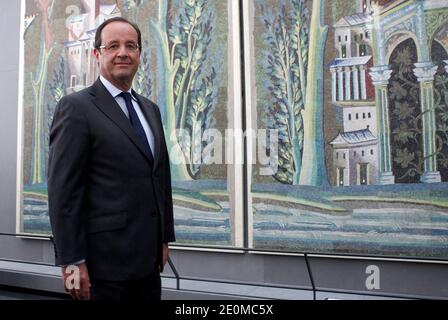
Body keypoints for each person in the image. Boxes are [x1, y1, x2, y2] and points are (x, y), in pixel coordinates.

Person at [48, 17, 175, 300]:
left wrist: (163, 239)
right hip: (98, 270)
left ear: (139, 54)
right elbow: (63, 193)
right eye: (113, 45)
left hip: (147, 266)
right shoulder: (75, 108)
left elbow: (159, 177)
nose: (123, 53)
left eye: (131, 46)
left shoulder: (150, 109)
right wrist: (71, 264)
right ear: (97, 54)